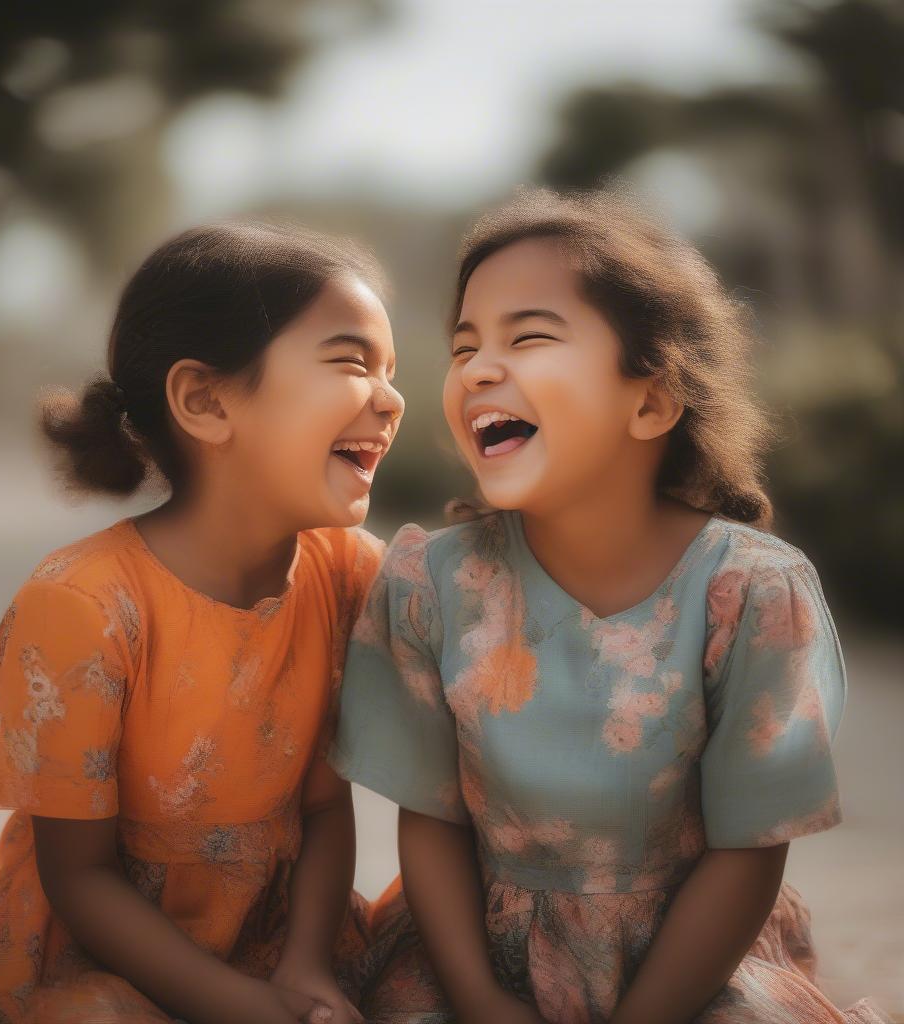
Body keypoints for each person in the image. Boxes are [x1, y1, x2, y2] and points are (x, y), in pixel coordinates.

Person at [331, 188, 889, 1024]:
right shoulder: (431, 586)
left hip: (692, 956)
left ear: (652, 400)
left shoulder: (750, 594)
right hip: (473, 950)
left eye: (528, 337)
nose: (479, 366)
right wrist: (480, 998)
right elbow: (433, 823)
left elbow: (748, 852)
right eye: (464, 344)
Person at [0, 221, 404, 1024]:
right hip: (101, 963)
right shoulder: (82, 606)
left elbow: (327, 808)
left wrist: (300, 973)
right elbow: (79, 879)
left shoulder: (348, 572)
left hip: (278, 940)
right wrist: (241, 1007)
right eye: (351, 362)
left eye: (392, 371)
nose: (391, 398)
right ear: (205, 400)